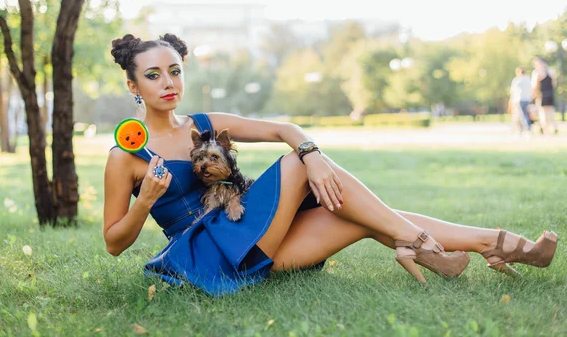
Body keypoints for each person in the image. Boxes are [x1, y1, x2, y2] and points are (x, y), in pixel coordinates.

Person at [103, 33, 558, 296]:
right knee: (302, 168)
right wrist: (143, 204)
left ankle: (496, 243)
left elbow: (287, 128)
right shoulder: (126, 155)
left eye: (176, 70)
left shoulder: (205, 123)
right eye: (153, 74)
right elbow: (114, 244)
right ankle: (418, 243)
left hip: (256, 241)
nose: (168, 82)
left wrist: (314, 155)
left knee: (348, 210)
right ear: (132, 85)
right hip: (208, 257)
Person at [532, 57, 559, 134]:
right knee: (550, 112)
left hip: (542, 94)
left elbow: (535, 86)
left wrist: (536, 94)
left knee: (542, 112)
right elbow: (554, 83)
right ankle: (554, 127)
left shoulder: (537, 73)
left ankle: (545, 130)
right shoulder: (551, 71)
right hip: (550, 94)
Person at [509, 67, 533, 133]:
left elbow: (512, 91)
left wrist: (511, 100)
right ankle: (519, 129)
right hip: (527, 99)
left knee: (522, 114)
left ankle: (526, 128)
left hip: (519, 99)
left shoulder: (517, 80)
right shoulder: (528, 79)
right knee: (520, 114)